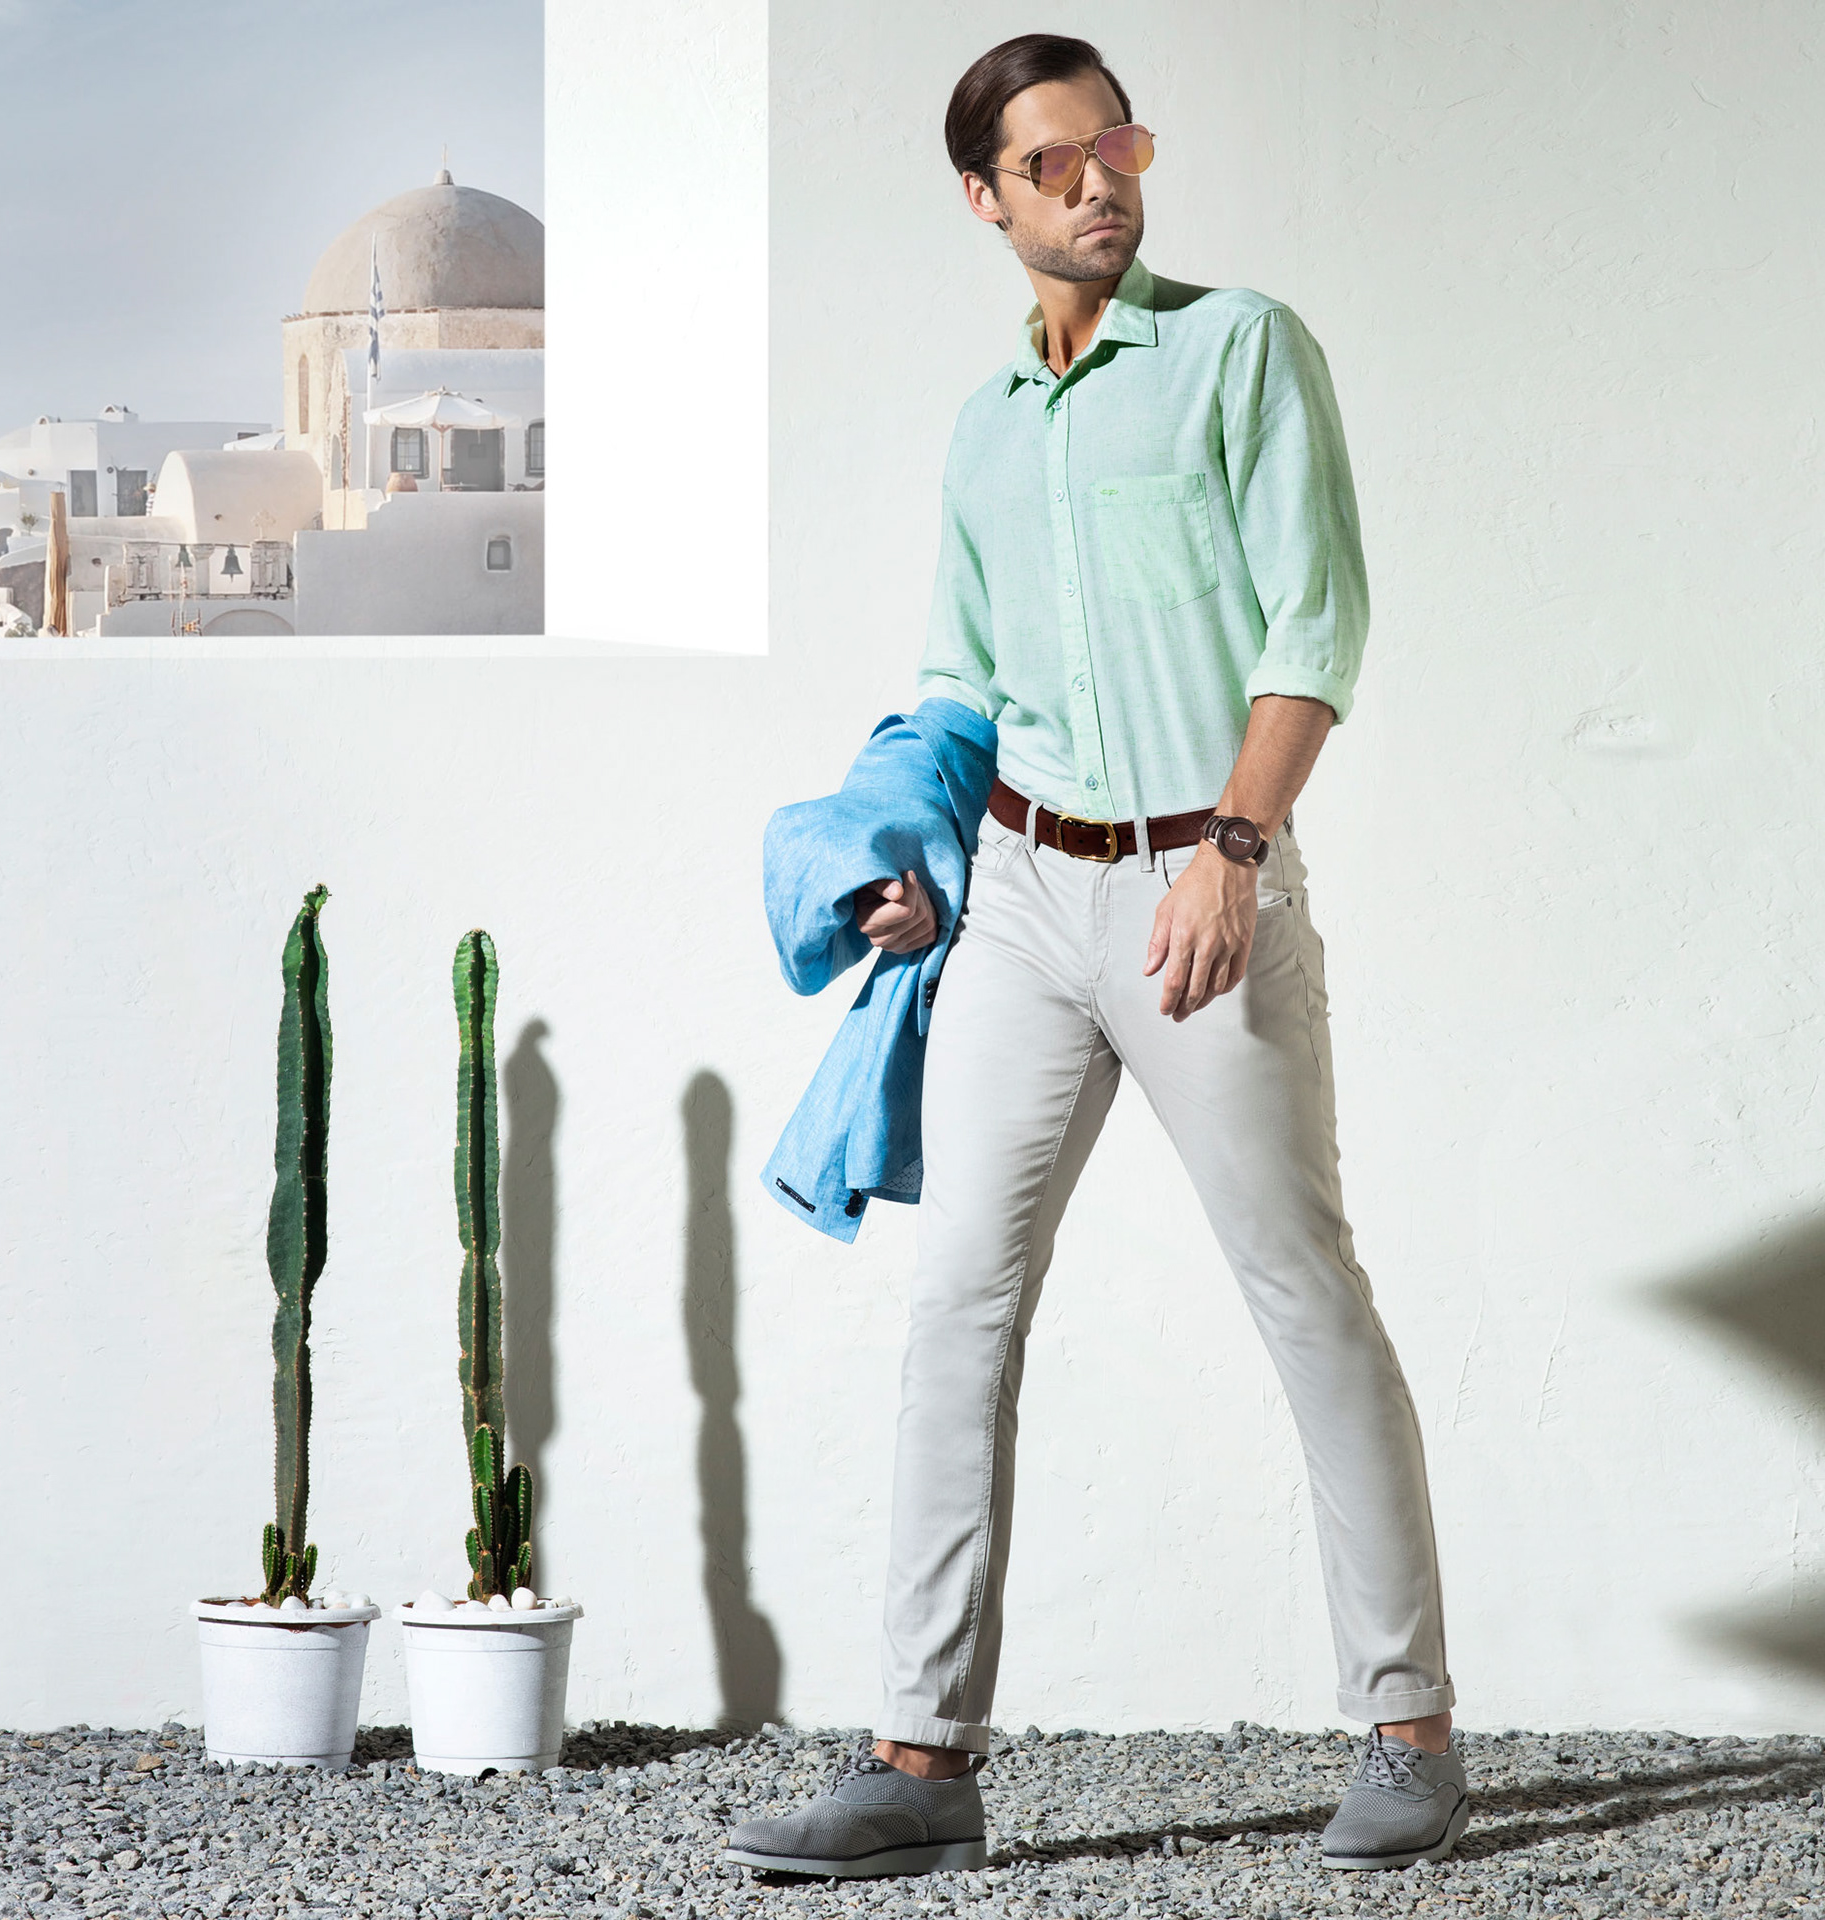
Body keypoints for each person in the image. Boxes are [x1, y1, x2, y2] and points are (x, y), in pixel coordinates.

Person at [726, 31, 1465, 1881]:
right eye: (1051, 164)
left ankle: (1409, 1729)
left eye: (1114, 146)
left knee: (1303, 1289)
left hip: (1200, 886)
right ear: (985, 199)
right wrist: (912, 872)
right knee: (958, 1310)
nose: (1099, 185)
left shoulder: (1239, 351)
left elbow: (1316, 626)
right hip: (1019, 902)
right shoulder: (987, 427)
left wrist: (1237, 850)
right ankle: (919, 1760)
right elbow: (960, 680)